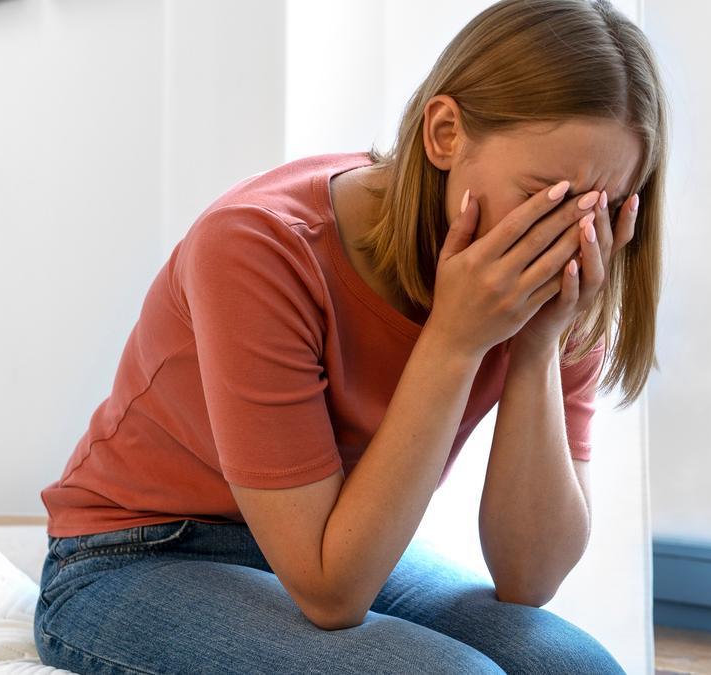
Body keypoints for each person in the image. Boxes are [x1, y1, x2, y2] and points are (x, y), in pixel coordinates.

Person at [33, 0, 667, 671]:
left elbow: (529, 577)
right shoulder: (257, 247)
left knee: (577, 666)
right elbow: (331, 592)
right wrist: (454, 342)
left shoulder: (571, 268)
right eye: (546, 196)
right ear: (445, 134)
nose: (571, 235)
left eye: (604, 208)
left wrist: (537, 346)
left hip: (329, 538)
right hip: (139, 552)